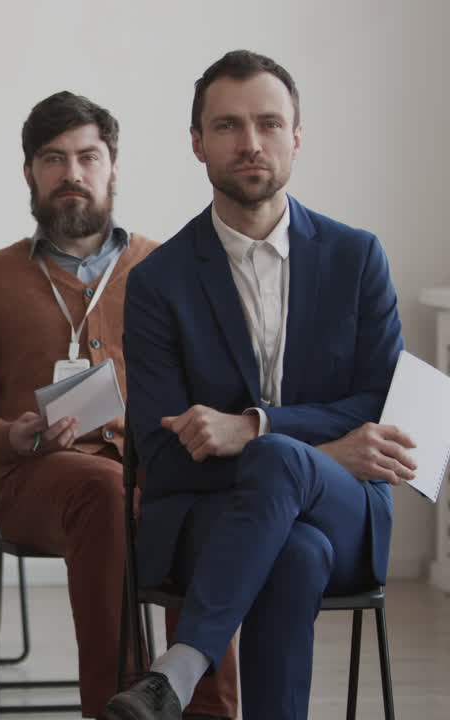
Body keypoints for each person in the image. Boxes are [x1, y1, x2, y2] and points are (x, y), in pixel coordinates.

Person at [106, 50, 408, 720]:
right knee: (293, 552)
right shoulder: (158, 281)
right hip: (206, 518)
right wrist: (320, 451)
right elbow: (160, 453)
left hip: (347, 511)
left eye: (270, 124)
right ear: (197, 142)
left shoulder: (357, 257)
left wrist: (255, 430)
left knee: (278, 467)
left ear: (297, 137)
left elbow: (383, 409)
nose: (251, 143)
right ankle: (183, 674)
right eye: (228, 126)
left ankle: (177, 672)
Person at [0, 91, 237, 720]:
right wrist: (11, 436)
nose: (72, 174)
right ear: (29, 174)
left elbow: (217, 394)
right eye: (53, 159)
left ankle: (209, 708)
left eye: (87, 157)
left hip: (152, 467)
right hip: (33, 477)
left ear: (113, 167)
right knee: (102, 489)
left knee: (211, 489)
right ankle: (117, 705)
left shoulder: (167, 267)